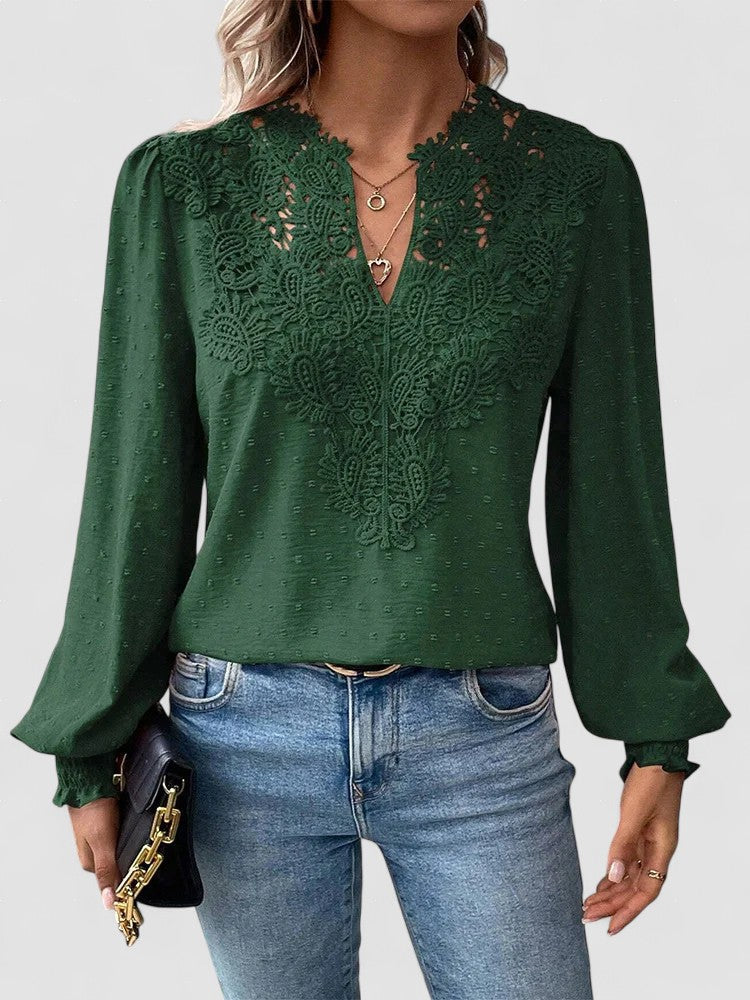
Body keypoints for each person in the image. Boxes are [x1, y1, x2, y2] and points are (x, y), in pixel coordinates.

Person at [10, 2, 731, 998]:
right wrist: (90, 743)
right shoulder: (185, 185)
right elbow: (135, 484)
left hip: (481, 732)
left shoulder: (575, 184)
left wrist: (657, 734)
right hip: (241, 736)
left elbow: (614, 483)